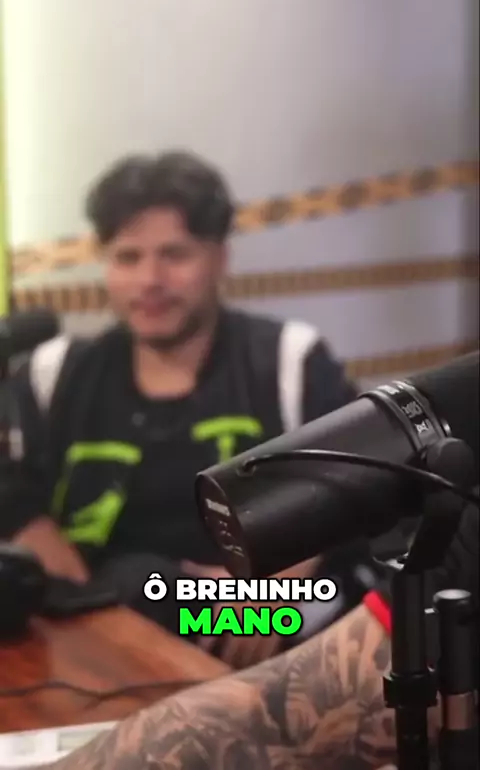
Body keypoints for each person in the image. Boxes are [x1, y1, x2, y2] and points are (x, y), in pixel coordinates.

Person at [2, 150, 359, 667]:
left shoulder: (290, 361)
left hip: (254, 635)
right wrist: (49, 558)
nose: (150, 280)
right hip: (94, 634)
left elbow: (357, 489)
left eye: (175, 255)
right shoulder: (53, 373)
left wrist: (269, 593)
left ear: (220, 259)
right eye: (127, 258)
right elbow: (10, 488)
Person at [20, 501, 480, 769]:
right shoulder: (69, 379)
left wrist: (263, 586)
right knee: (141, 582)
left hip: (277, 605)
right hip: (166, 602)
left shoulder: (291, 370)